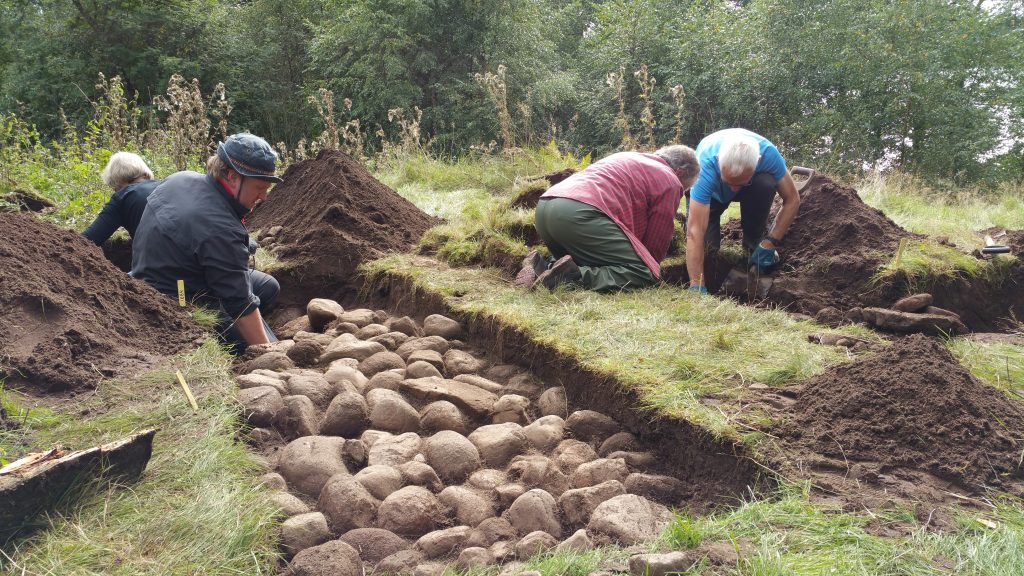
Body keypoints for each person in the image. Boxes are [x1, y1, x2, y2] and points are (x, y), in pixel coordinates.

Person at [130, 133, 282, 353]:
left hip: (170, 275)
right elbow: (240, 303)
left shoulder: (180, 178)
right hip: (177, 302)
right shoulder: (219, 228)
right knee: (262, 345)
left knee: (268, 287)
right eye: (259, 187)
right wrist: (271, 354)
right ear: (232, 176)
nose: (264, 197)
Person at [516, 145, 700, 292]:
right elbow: (658, 237)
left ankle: (540, 266)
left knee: (595, 261)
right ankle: (568, 277)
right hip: (581, 213)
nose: (680, 192)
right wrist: (651, 267)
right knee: (643, 273)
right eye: (684, 188)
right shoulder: (670, 180)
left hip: (547, 207)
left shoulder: (629, 157)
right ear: (680, 173)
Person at [685, 128, 800, 294]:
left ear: (758, 160)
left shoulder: (768, 154)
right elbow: (695, 231)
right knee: (708, 248)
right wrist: (696, 283)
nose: (733, 189)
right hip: (712, 195)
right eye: (728, 182)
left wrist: (770, 242)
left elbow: (792, 199)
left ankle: (755, 244)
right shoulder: (706, 165)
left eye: (739, 183)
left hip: (752, 190)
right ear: (718, 161)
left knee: (765, 183)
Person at [82, 152, 159, 245]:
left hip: (159, 257)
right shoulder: (166, 186)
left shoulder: (122, 198)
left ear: (115, 181)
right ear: (146, 173)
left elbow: (86, 240)